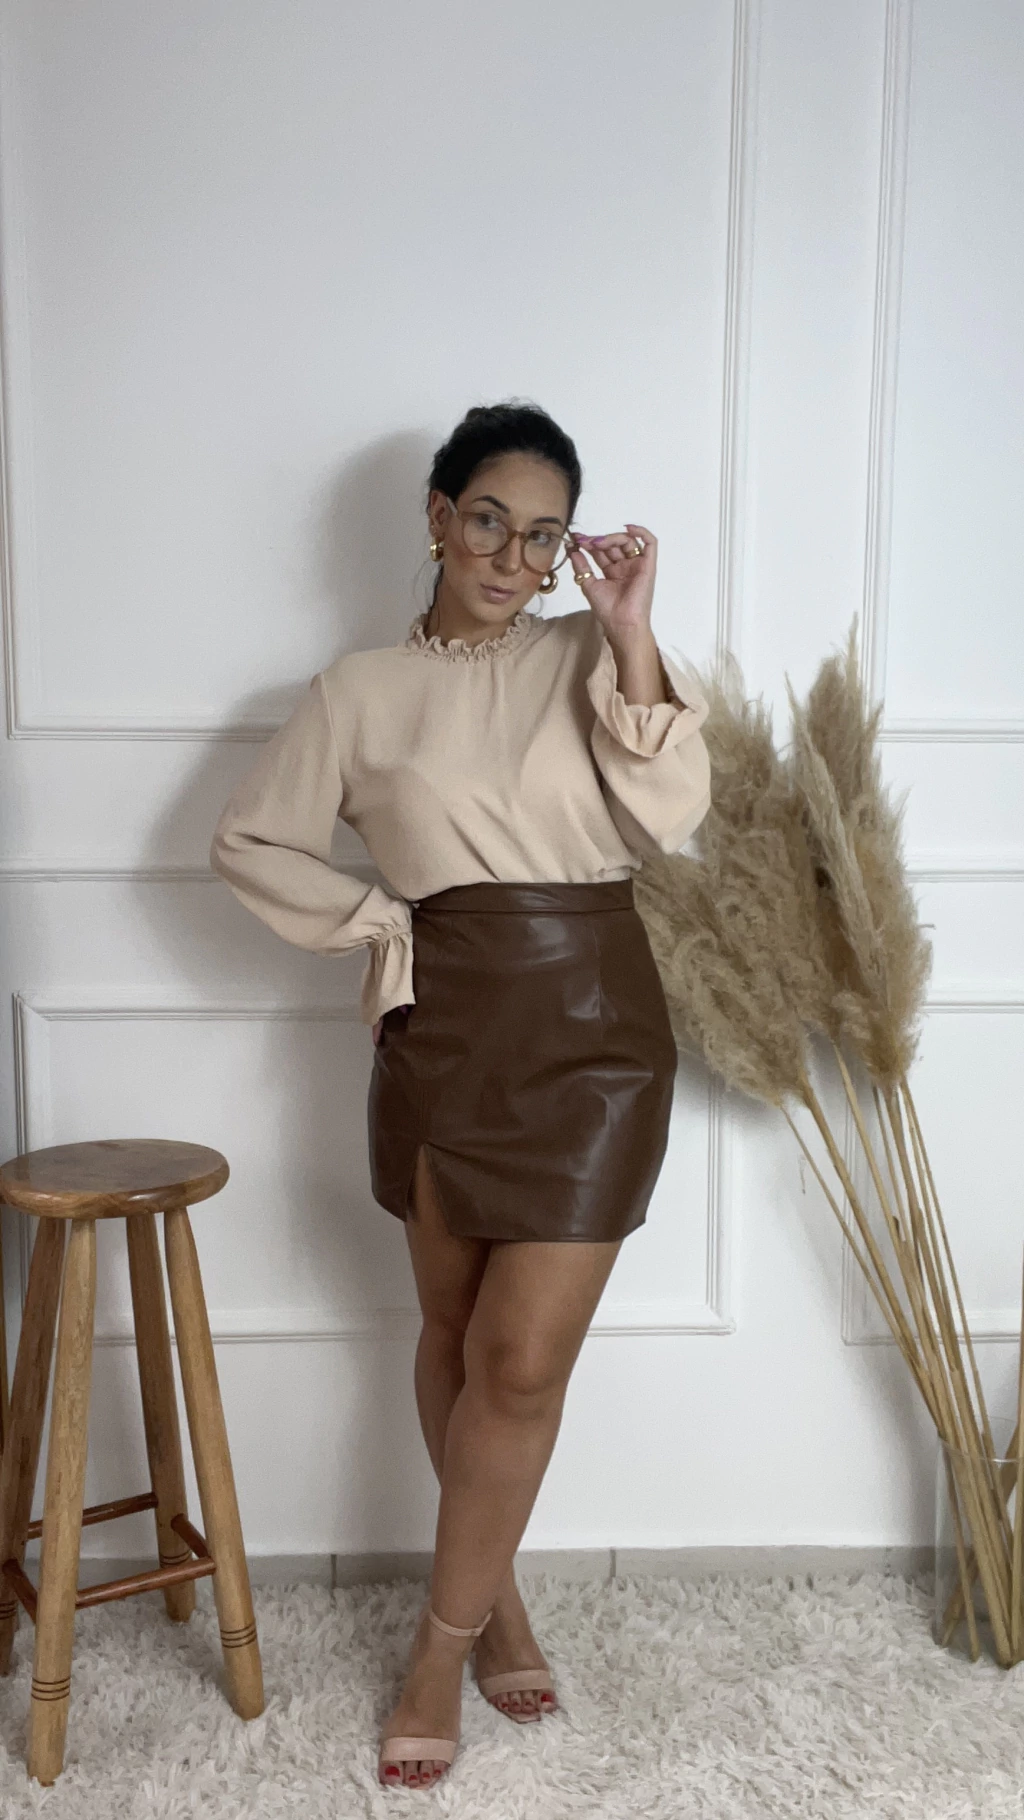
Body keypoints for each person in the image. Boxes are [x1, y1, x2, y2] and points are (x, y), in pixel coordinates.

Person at [210, 399, 711, 1791]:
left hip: (598, 1028)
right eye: (489, 519)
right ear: (438, 517)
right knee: (454, 1332)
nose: (513, 555)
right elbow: (249, 839)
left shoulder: (586, 656)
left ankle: (438, 1651)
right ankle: (498, 1602)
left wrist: (628, 629)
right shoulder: (358, 692)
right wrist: (379, 921)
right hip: (444, 1031)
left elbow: (670, 812)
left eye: (544, 536)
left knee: (523, 1360)